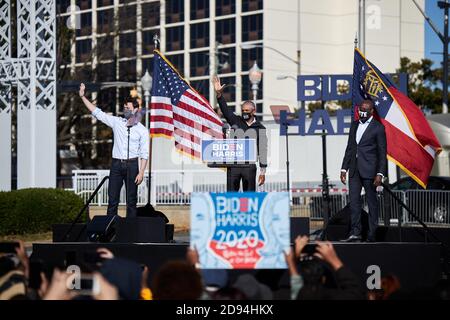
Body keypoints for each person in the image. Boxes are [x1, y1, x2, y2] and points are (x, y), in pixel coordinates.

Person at [79, 83, 149, 217]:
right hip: (116, 164)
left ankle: (130, 232)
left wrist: (141, 172)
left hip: (132, 165)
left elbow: (144, 153)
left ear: (135, 110)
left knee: (131, 201)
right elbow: (98, 113)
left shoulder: (142, 130)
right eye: (124, 108)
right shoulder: (117, 122)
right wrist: (83, 97)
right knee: (112, 200)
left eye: (128, 108)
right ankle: (110, 230)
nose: (125, 110)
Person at [340, 99, 387, 242]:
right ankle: (355, 233)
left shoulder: (378, 128)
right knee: (354, 202)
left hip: (370, 172)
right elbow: (350, 147)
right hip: (354, 171)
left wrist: (380, 173)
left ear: (372, 111)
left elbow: (382, 152)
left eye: (365, 109)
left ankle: (372, 234)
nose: (362, 111)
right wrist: (344, 168)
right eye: (361, 108)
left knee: (372, 203)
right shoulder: (354, 125)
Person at [212, 75, 268, 192]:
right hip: (234, 166)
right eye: (243, 110)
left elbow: (262, 150)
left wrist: (263, 172)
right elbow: (226, 110)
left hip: (249, 167)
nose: (244, 112)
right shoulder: (236, 121)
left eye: (247, 111)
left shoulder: (260, 128)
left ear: (254, 111)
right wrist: (219, 95)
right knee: (231, 196)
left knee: (249, 196)